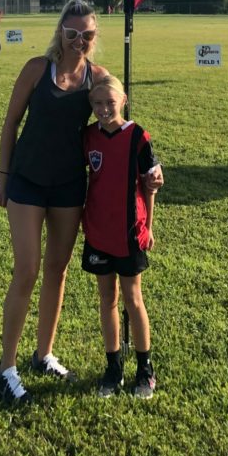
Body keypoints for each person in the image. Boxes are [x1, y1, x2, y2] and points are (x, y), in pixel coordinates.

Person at [0, 0, 162, 406]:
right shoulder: (37, 68)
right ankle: (6, 368)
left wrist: (153, 170)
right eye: (72, 33)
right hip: (27, 183)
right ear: (60, 33)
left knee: (57, 270)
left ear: (94, 36)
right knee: (28, 269)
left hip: (69, 188)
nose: (79, 41)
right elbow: (11, 122)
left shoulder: (98, 78)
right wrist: (3, 173)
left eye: (87, 34)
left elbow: (121, 129)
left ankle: (43, 354)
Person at [82, 75, 159, 400]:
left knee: (133, 298)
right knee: (106, 299)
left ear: (123, 100)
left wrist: (150, 226)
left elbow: (149, 184)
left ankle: (144, 367)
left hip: (129, 231)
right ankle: (113, 367)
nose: (103, 109)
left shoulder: (138, 137)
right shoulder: (87, 137)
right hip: (98, 230)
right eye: (97, 104)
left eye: (109, 103)